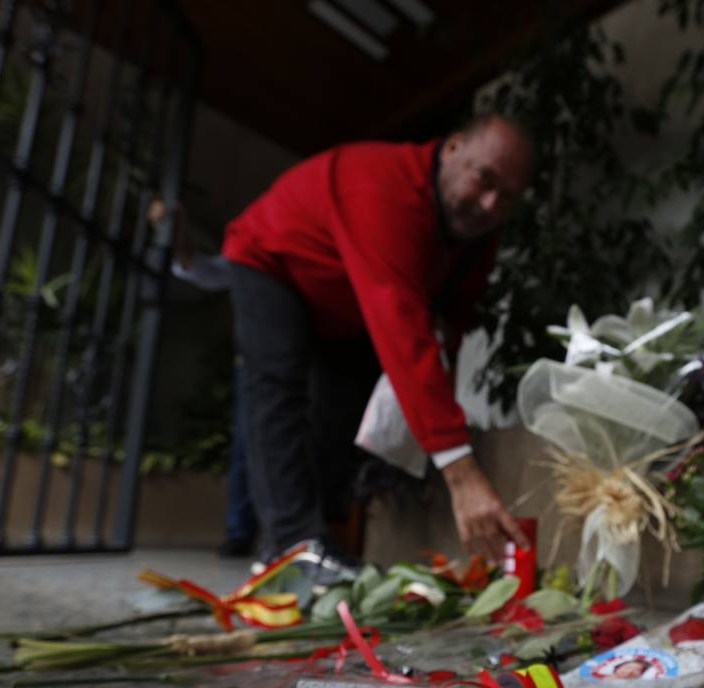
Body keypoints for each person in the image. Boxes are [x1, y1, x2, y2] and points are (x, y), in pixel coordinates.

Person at [221, 113, 533, 568]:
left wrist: (430, 420)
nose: (488, 204)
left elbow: (446, 330)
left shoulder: (474, 237)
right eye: (483, 179)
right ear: (452, 149)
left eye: (506, 198)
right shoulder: (383, 189)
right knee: (277, 391)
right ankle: (291, 545)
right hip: (273, 263)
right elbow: (401, 323)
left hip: (346, 305)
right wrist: (461, 473)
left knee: (345, 414)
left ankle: (321, 537)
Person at [147, 199, 259, 559]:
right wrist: (176, 232)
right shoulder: (249, 259)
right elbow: (197, 269)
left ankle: (296, 536)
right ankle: (241, 531)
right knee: (246, 445)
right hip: (254, 362)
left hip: (302, 363)